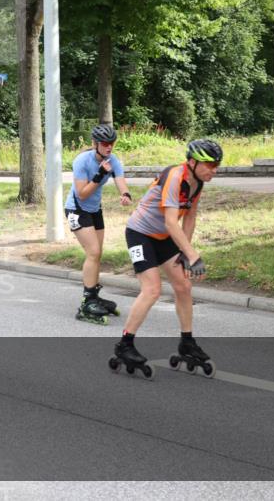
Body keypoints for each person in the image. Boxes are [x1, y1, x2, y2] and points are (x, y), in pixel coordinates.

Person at [110, 139, 224, 379]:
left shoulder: (197, 182)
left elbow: (190, 217)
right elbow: (172, 222)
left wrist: (185, 251)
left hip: (164, 237)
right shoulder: (175, 177)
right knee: (152, 289)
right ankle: (125, 344)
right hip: (140, 234)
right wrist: (192, 255)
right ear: (192, 162)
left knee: (183, 286)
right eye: (210, 165)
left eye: (217, 165)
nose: (214, 170)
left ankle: (187, 342)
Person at [65, 123, 133, 324]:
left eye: (112, 143)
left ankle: (94, 296)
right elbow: (82, 194)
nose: (109, 147)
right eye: (105, 143)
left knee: (97, 254)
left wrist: (125, 194)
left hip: (95, 210)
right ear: (95, 143)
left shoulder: (113, 160)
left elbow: (120, 179)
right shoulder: (82, 161)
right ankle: (86, 302)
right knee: (93, 252)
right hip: (77, 209)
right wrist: (100, 175)